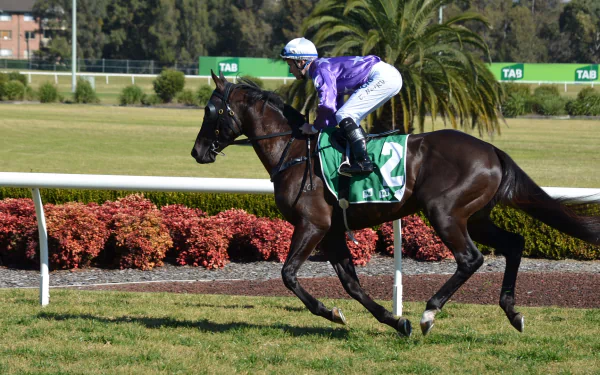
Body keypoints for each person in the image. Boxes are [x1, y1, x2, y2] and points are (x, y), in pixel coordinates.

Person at [280, 37, 403, 175]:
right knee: (347, 116)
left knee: (345, 114)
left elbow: (327, 105)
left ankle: (364, 162)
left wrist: (313, 128)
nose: (290, 70)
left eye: (290, 64)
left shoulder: (319, 70)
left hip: (383, 77)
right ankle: (358, 151)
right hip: (388, 76)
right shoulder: (322, 67)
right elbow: (333, 110)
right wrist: (325, 127)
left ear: (301, 62)